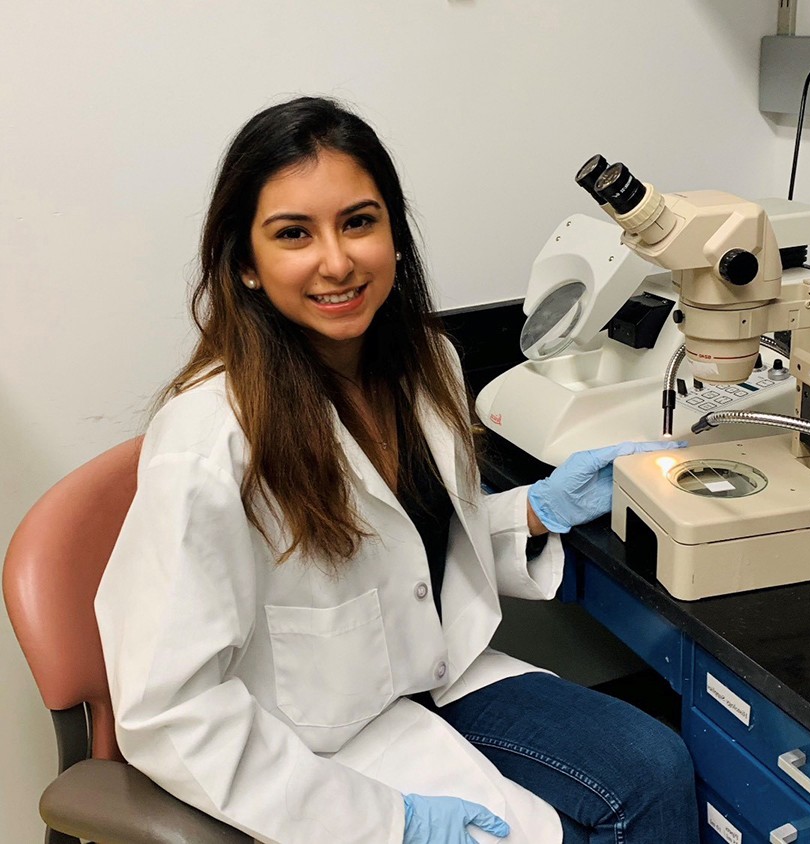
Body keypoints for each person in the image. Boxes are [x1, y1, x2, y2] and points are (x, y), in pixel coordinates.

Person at [95, 95, 699, 844]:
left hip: (432, 673)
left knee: (655, 767)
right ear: (245, 265)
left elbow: (404, 549)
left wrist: (539, 507)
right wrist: (393, 824)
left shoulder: (425, 364)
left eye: (358, 222)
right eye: (293, 234)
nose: (337, 260)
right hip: (312, 733)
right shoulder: (210, 439)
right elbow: (166, 710)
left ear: (394, 236)